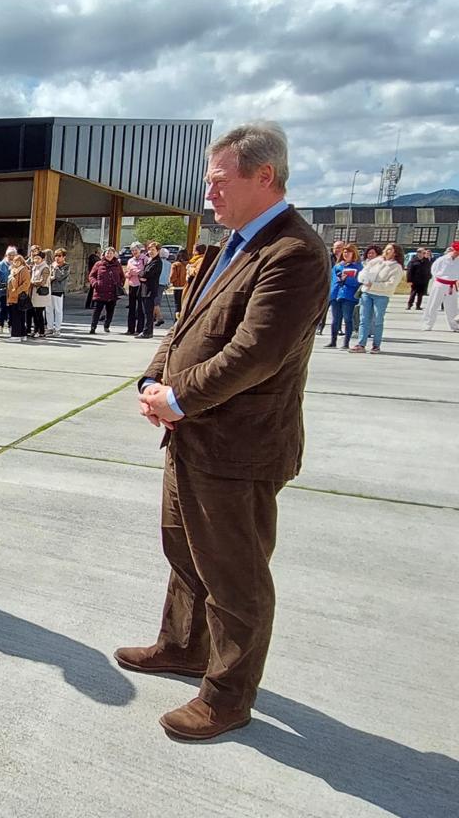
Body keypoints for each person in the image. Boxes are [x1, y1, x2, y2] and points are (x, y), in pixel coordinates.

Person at [124, 121, 329, 741]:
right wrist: (151, 382)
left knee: (235, 575)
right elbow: (185, 328)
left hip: (239, 448)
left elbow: (256, 352)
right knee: (185, 553)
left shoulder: (293, 252)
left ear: (264, 176)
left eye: (218, 180)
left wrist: (178, 397)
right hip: (190, 436)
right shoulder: (233, 243)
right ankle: (184, 646)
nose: (208, 192)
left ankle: (227, 696)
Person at [350, 242, 405, 354]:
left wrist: (374, 285)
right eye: (386, 249)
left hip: (381, 296)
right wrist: (364, 280)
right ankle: (361, 344)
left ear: (395, 253)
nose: (386, 251)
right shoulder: (376, 261)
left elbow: (391, 284)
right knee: (364, 319)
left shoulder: (396, 267)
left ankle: (376, 345)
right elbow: (364, 272)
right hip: (367, 293)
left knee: (378, 320)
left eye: (390, 249)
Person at [324, 243, 362, 349]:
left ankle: (346, 343)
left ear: (353, 253)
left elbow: (358, 282)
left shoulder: (358, 266)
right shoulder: (338, 266)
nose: (346, 254)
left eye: (348, 252)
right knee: (335, 319)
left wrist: (347, 280)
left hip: (348, 296)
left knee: (347, 319)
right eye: (344, 252)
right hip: (336, 295)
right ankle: (333, 341)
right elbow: (332, 280)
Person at [422, 242, 459, 331]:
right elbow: (434, 270)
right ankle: (428, 324)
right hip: (440, 283)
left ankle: (454, 326)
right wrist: (438, 281)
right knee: (433, 304)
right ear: (453, 250)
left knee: (452, 306)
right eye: (457, 251)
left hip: (452, 285)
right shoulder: (442, 259)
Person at [87, 248, 124, 333]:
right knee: (97, 311)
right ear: (104, 254)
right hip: (100, 291)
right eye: (107, 253)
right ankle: (93, 327)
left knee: (110, 311)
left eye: (111, 253)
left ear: (114, 254)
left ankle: (107, 326)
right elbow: (91, 276)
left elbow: (122, 276)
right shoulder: (98, 264)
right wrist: (95, 284)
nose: (109, 255)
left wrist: (120, 284)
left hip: (112, 292)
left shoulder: (117, 264)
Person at [136, 241, 163, 339]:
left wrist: (142, 275)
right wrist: (141, 275)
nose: (150, 252)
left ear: (158, 251)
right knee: (144, 311)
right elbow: (141, 273)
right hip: (144, 289)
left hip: (150, 290)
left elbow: (147, 274)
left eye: (153, 250)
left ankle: (147, 332)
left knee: (148, 312)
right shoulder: (149, 260)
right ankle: (145, 330)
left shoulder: (157, 262)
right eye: (149, 249)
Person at [6, 252, 31, 342]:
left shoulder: (23, 270)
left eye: (18, 261)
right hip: (13, 297)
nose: (16, 262)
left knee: (16, 316)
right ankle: (22, 334)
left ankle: (16, 336)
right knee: (19, 316)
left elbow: (26, 283)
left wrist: (17, 291)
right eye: (14, 261)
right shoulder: (14, 270)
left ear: (21, 261)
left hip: (19, 297)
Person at [29, 250, 53, 338]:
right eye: (35, 258)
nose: (36, 260)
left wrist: (31, 283)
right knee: (35, 314)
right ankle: (36, 330)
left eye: (38, 258)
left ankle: (41, 331)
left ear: (42, 259)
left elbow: (43, 281)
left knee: (39, 314)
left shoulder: (45, 268)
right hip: (34, 293)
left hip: (41, 294)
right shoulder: (35, 266)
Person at [48, 248, 70, 336]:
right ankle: (49, 327)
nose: (57, 258)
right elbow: (49, 276)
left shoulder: (66, 266)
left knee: (58, 310)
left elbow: (60, 277)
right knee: (48, 310)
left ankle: (57, 329)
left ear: (64, 257)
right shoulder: (51, 265)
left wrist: (56, 267)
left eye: (59, 256)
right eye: (56, 256)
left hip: (58, 290)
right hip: (49, 289)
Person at [125, 243, 146, 334]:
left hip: (141, 285)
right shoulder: (130, 260)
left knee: (141, 308)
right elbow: (128, 271)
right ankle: (130, 329)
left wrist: (134, 271)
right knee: (131, 308)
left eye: (135, 250)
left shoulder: (145, 259)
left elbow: (144, 272)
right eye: (132, 250)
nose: (134, 252)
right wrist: (132, 272)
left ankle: (140, 329)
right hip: (132, 284)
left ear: (140, 250)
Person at [0, 247, 14, 333]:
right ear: (6, 255)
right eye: (9, 255)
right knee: (3, 308)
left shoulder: (16, 263)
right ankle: (1, 325)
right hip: (3, 290)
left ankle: (10, 325)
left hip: (13, 291)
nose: (11, 256)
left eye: (12, 255)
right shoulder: (1, 264)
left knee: (11, 308)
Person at [154, 247, 173, 326]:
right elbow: (169, 274)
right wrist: (167, 283)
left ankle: (159, 317)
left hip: (156, 283)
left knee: (155, 302)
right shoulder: (169, 264)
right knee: (158, 300)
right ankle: (154, 317)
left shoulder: (157, 262)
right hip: (163, 284)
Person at [170, 248, 188, 316]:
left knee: (177, 306)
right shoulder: (189, 264)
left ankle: (176, 322)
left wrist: (171, 282)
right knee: (184, 305)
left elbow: (172, 277)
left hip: (177, 287)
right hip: (186, 286)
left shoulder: (175, 265)